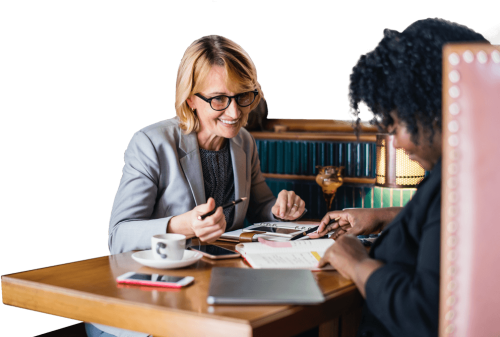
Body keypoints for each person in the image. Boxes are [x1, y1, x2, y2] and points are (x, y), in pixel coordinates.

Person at [86, 35, 307, 337]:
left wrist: (281, 208)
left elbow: (260, 205)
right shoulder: (151, 144)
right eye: (219, 99)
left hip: (212, 292)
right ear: (190, 98)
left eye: (244, 96)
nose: (234, 113)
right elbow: (119, 236)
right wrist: (182, 226)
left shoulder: (243, 141)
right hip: (143, 305)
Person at [309, 18, 489, 337]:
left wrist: (356, 263)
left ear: (432, 109)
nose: (399, 144)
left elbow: (424, 314)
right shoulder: (471, 173)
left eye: (394, 126)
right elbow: (445, 229)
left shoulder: (457, 184)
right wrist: (382, 216)